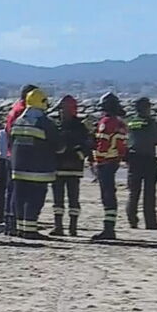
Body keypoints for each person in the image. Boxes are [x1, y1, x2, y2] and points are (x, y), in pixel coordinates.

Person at [9, 88, 61, 240]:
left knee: (20, 198)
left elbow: (12, 141)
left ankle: (20, 229)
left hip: (18, 168)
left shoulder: (18, 121)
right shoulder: (45, 123)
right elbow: (58, 146)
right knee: (35, 199)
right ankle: (30, 230)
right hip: (38, 170)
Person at [51, 96, 93, 237]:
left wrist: (77, 155)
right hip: (58, 167)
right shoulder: (57, 125)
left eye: (64, 110)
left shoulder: (80, 127)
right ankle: (58, 227)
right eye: (61, 110)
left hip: (73, 168)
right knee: (58, 200)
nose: (62, 113)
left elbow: (88, 145)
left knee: (73, 199)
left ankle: (73, 227)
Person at [92, 92, 128, 241]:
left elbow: (102, 145)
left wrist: (96, 162)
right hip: (114, 162)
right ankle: (110, 227)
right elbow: (122, 147)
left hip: (104, 163)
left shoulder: (105, 122)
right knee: (110, 195)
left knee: (107, 196)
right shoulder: (120, 123)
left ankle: (108, 229)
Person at [4, 84, 39, 236]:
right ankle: (13, 224)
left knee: (14, 191)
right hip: (17, 156)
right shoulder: (21, 111)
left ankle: (12, 223)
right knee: (17, 192)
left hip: (13, 154)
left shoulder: (16, 109)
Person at [126, 97, 157, 230]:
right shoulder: (150, 122)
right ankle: (150, 222)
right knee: (149, 193)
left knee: (133, 192)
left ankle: (132, 219)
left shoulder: (130, 122)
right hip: (148, 159)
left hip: (133, 159)